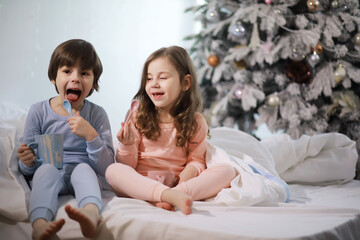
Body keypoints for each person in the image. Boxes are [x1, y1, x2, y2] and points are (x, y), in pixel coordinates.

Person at [105, 46, 236, 215]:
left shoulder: (196, 122)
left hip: (177, 183)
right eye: (149, 78)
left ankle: (176, 195)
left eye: (163, 77)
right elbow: (127, 166)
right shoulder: (137, 116)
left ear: (185, 83)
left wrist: (183, 182)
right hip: (141, 186)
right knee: (113, 171)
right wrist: (127, 145)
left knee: (227, 171)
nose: (154, 84)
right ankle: (168, 196)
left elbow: (196, 161)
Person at [17, 39, 114, 240]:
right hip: (50, 168)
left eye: (85, 73)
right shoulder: (38, 111)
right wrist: (26, 162)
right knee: (45, 171)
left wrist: (91, 135)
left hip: (83, 169)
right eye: (67, 71)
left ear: (94, 82)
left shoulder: (97, 115)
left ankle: (90, 213)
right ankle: (40, 224)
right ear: (54, 77)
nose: (76, 78)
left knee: (84, 170)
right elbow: (28, 167)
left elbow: (107, 168)